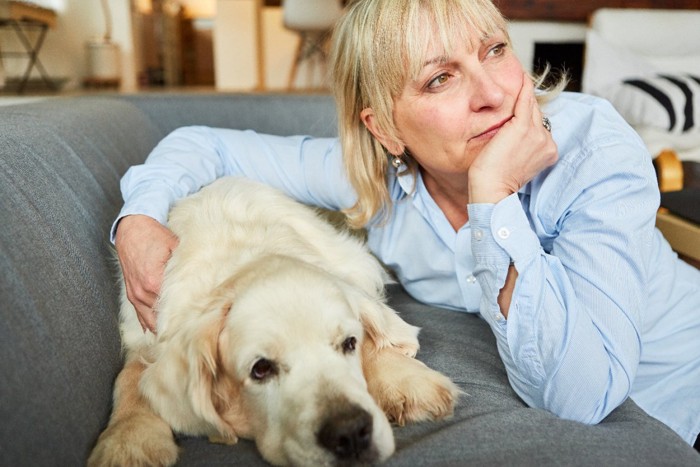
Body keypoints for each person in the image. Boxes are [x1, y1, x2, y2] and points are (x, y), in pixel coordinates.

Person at [112, 0, 700, 448]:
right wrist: (137, 218)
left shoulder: (592, 148)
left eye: (494, 50)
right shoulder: (379, 180)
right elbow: (203, 144)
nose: (495, 93)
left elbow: (581, 396)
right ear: (387, 130)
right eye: (440, 78)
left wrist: (490, 198)